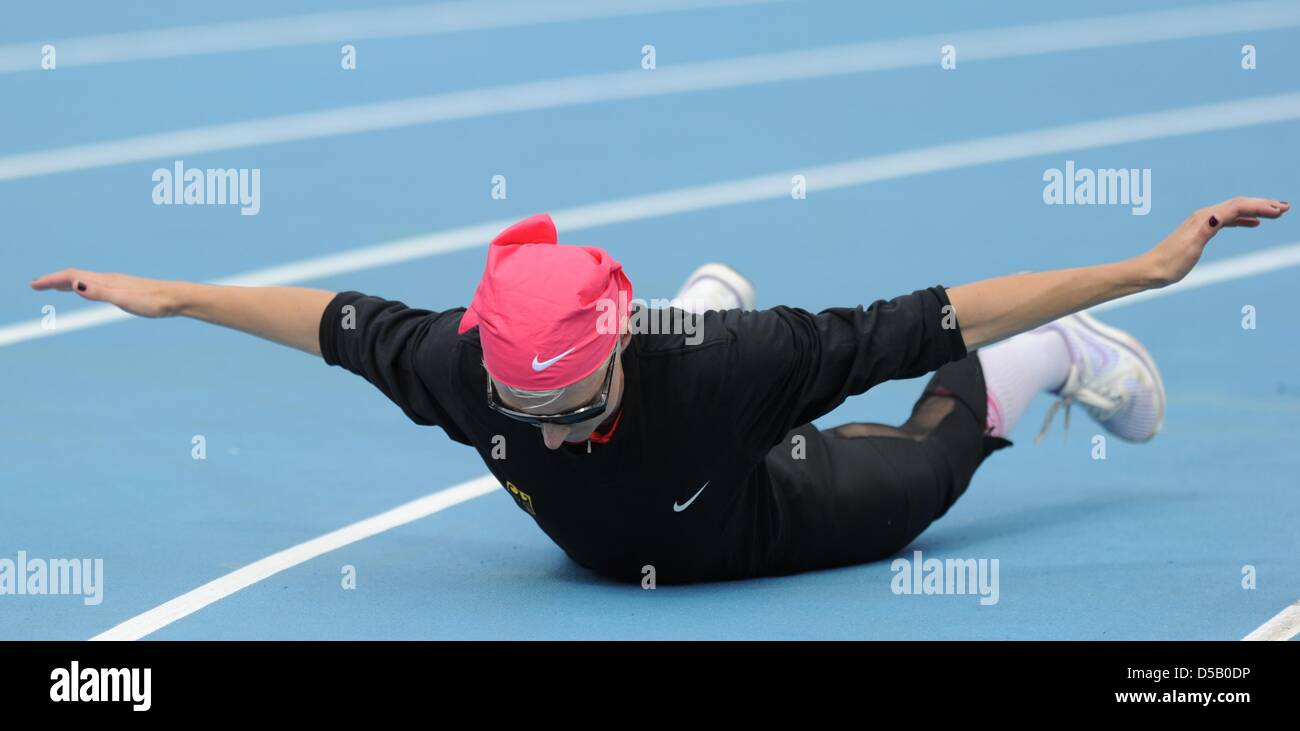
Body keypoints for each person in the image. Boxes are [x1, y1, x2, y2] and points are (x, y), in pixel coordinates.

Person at [31, 197, 1289, 583]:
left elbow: (934, 315)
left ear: (616, 349)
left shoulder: (732, 372)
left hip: (752, 512)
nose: (560, 433)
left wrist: (1137, 266)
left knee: (926, 468)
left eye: (579, 402)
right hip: (660, 428)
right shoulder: (466, 368)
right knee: (686, 357)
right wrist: (179, 294)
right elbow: (324, 320)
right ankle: (703, 289)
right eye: (537, 418)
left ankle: (1063, 358)